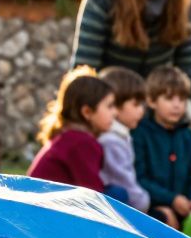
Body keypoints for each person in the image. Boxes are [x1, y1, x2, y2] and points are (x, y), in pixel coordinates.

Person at [26, 67, 125, 200]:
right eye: (109, 106)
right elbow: (94, 196)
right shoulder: (81, 143)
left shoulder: (69, 137)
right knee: (118, 194)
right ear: (87, 112)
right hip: (45, 210)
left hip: (38, 204)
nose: (115, 113)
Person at [132, 65, 191, 230]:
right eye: (169, 98)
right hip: (150, 209)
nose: (177, 105)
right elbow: (139, 178)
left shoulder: (187, 136)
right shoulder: (140, 133)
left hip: (183, 210)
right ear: (151, 101)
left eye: (182, 99)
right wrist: (171, 199)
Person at [97, 66, 150, 212]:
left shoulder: (121, 136)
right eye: (136, 104)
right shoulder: (111, 141)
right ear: (116, 106)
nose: (141, 110)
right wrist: (146, 202)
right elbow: (122, 181)